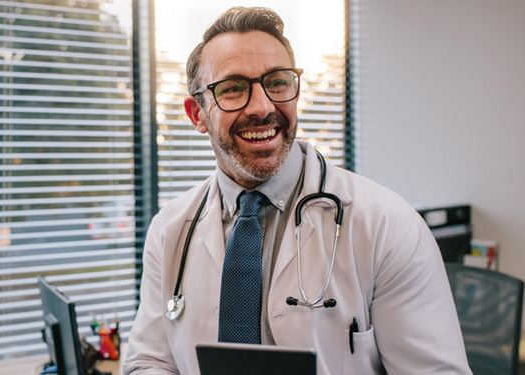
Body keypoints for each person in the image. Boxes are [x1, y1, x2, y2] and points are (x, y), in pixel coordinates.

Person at [122, 6, 471, 375]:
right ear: (197, 115)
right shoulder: (170, 229)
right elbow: (150, 360)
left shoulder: (387, 225)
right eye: (233, 88)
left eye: (277, 82)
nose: (262, 107)